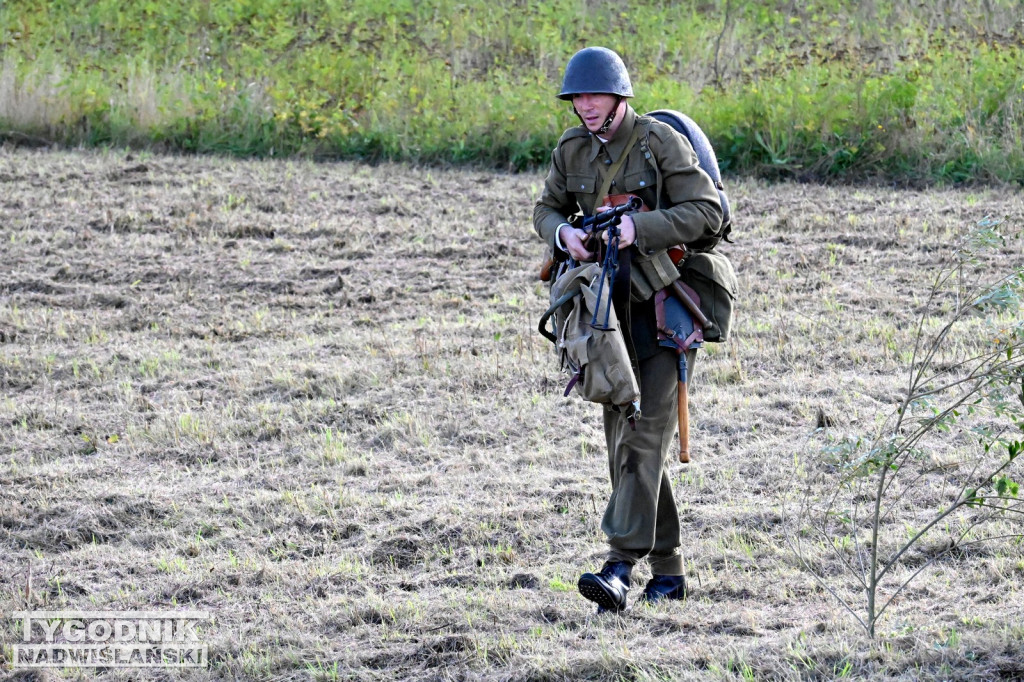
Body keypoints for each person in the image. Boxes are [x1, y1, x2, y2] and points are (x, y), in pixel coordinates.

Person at [533, 46, 725, 612]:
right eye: (578, 98)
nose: (586, 107)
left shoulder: (658, 143)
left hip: (664, 306)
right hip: (604, 316)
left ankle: (618, 565)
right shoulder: (571, 151)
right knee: (626, 445)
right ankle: (669, 571)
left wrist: (635, 228)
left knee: (642, 441)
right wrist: (561, 235)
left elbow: (708, 212)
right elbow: (545, 207)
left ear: (619, 96)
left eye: (595, 96)